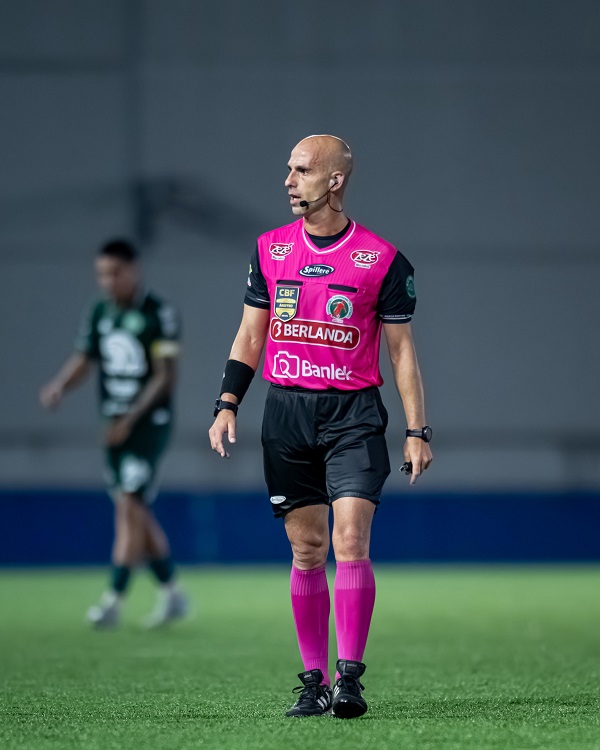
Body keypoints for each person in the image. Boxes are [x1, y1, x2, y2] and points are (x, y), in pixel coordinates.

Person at [209, 135, 433, 718]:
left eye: (302, 170)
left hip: (353, 416)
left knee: (350, 541)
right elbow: (251, 334)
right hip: (286, 414)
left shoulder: (382, 259)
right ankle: (312, 682)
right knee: (307, 549)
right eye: (289, 169)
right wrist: (228, 402)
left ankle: (349, 679)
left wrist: (417, 430)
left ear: (335, 181)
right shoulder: (269, 249)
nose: (289, 181)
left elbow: (401, 352)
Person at [40, 239, 188, 629]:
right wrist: (59, 386)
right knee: (135, 508)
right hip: (113, 425)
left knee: (128, 505)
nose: (107, 281)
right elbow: (85, 356)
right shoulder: (100, 311)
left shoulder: (158, 313)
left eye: (115, 272)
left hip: (148, 425)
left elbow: (165, 377)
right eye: (102, 273)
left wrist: (131, 418)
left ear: (133, 270)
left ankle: (114, 599)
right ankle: (173, 592)